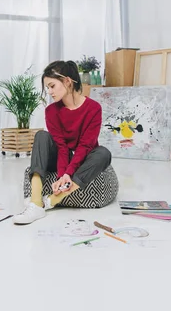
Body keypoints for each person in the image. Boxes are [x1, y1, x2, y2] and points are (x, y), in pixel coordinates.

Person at [12, 60, 112, 225]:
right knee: (41, 136)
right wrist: (61, 176)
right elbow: (61, 146)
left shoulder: (94, 108)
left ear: (67, 81)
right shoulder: (51, 111)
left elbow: (85, 146)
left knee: (103, 154)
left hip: (83, 159)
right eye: (47, 88)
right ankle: (36, 203)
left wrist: (69, 173)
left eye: (52, 86)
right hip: (60, 159)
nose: (50, 92)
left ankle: (52, 200)